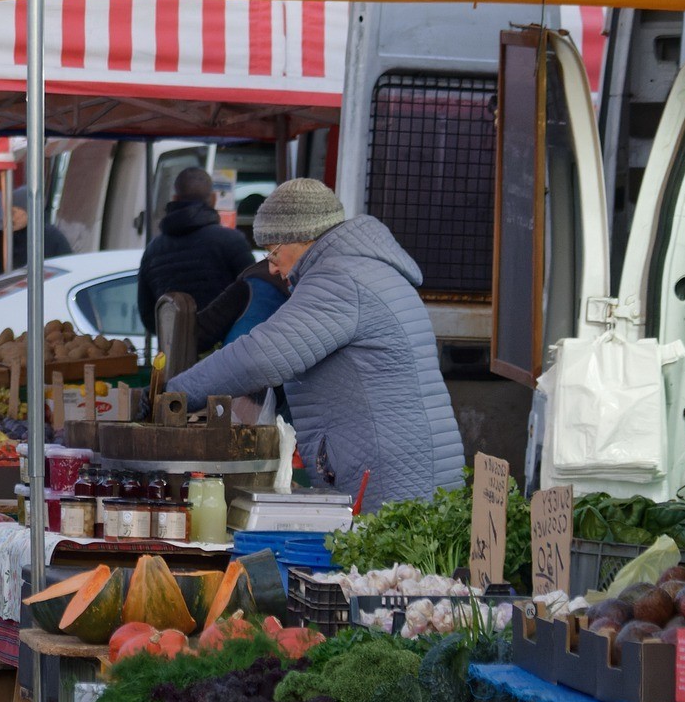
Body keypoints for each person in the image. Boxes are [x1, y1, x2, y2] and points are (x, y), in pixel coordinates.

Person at [166, 179, 463, 511]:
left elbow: (261, 357)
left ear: (304, 238)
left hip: (390, 478)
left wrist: (174, 394)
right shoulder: (366, 268)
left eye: (275, 252)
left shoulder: (340, 279)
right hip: (410, 467)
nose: (273, 267)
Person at [137, 166, 257, 330]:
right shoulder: (232, 241)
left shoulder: (152, 251)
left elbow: (148, 316)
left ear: (175, 198)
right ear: (214, 199)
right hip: (228, 348)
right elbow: (254, 294)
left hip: (175, 350)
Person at [0, 186, 73, 273]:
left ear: (29, 211)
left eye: (13, 212)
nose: (10, 218)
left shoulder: (51, 238)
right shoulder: (9, 239)